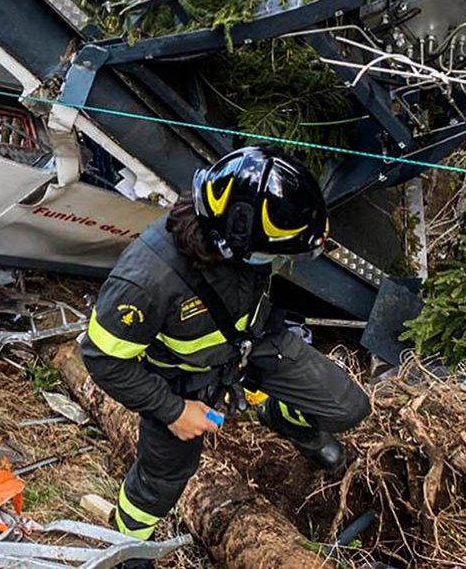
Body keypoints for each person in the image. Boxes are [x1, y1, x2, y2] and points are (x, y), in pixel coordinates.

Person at [81, 146, 371, 553]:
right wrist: (173, 411)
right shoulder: (146, 281)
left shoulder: (242, 230)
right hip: (182, 380)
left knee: (347, 406)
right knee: (159, 484)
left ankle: (279, 414)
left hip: (252, 343)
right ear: (232, 239)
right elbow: (101, 357)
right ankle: (126, 547)